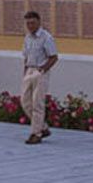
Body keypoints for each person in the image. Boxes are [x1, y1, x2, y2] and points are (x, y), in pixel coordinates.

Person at [19, 8, 58, 144]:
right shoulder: (27, 38)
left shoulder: (46, 37)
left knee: (37, 103)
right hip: (29, 70)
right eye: (28, 23)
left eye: (33, 23)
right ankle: (43, 127)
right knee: (25, 102)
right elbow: (25, 56)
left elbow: (54, 57)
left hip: (40, 72)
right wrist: (25, 72)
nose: (30, 26)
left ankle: (36, 133)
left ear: (39, 22)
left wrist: (43, 69)